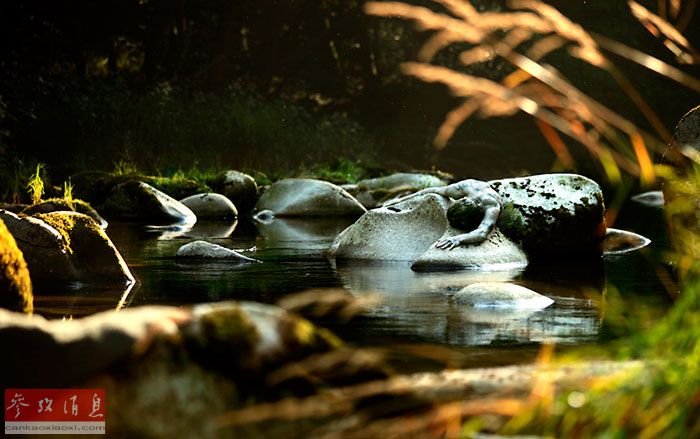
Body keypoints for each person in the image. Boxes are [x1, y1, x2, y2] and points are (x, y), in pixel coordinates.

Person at [384, 179, 502, 250]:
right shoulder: (464, 187)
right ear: (461, 199)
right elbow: (433, 190)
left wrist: (458, 239)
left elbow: (482, 233)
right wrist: (400, 200)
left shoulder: (492, 206)